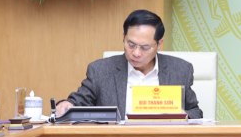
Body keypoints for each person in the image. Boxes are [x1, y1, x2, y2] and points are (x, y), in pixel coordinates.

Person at [56, 9, 202, 119]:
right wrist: (66, 105)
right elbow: (77, 102)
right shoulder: (101, 70)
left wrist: (181, 115)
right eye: (131, 44)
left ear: (159, 44)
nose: (136, 53)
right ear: (123, 37)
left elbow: (196, 113)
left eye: (145, 47)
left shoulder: (180, 70)